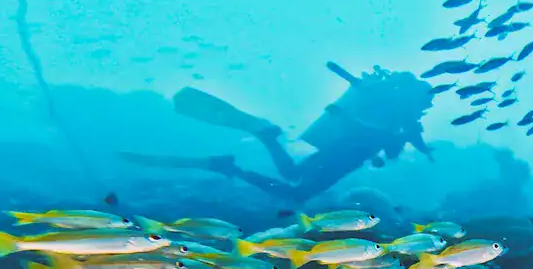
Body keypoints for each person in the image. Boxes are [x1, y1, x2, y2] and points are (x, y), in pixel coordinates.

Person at [122, 62, 434, 203]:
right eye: (428, 101)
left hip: (337, 146)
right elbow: (392, 151)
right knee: (297, 193)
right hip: (345, 156)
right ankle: (235, 162)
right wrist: (404, 143)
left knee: (292, 175)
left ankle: (262, 139)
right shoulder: (403, 119)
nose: (428, 106)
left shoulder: (389, 109)